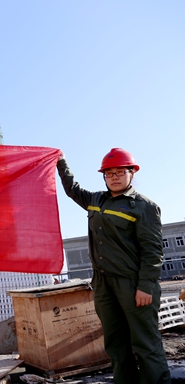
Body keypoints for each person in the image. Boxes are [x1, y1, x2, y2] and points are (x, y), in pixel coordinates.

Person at [57, 148, 170, 384]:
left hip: (133, 284)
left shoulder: (144, 207)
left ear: (132, 173)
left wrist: (145, 286)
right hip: (103, 285)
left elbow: (152, 251)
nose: (114, 177)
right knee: (115, 344)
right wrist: (61, 163)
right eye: (109, 173)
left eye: (120, 172)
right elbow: (72, 190)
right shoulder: (95, 200)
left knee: (145, 343)